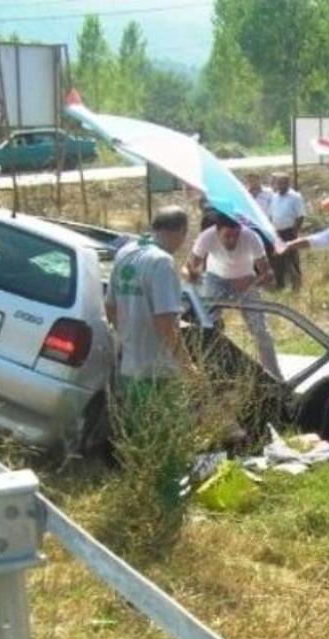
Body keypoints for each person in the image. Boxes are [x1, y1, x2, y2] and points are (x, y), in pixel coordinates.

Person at [105, 206, 194, 510]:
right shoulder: (162, 263)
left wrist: (127, 338)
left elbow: (111, 308)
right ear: (180, 231)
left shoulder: (126, 253)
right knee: (168, 440)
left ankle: (140, 497)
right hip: (161, 372)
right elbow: (166, 322)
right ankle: (170, 505)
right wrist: (187, 364)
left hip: (131, 367)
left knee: (140, 436)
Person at [186, 211, 282, 381]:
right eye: (227, 236)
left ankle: (275, 375)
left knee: (261, 330)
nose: (232, 240)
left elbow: (268, 274)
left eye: (236, 235)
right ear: (217, 230)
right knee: (206, 326)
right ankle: (206, 371)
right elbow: (187, 268)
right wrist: (191, 275)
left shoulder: (251, 237)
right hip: (215, 279)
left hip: (245, 278)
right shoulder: (206, 237)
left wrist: (253, 280)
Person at [268, 172, 306, 291]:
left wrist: (295, 232)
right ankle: (280, 284)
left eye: (283, 183)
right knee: (277, 259)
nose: (280, 185)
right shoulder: (274, 196)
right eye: (278, 183)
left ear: (288, 183)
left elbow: (300, 216)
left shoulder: (295, 197)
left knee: (292, 258)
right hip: (277, 232)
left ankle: (297, 285)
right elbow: (271, 214)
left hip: (289, 232)